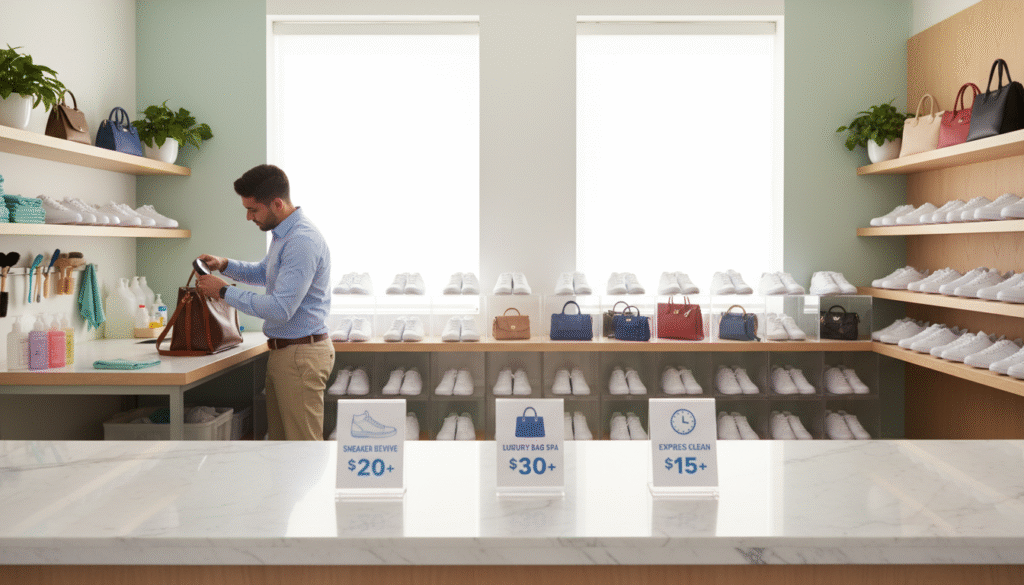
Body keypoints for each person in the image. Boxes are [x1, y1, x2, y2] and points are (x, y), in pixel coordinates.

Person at [196, 164, 333, 440]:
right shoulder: (284, 235)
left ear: (277, 204)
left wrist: (224, 292)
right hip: (288, 354)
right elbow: (264, 273)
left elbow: (280, 309)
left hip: (300, 357)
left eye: (253, 209)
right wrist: (224, 264)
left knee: (303, 451)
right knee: (284, 450)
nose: (248, 217)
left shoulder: (301, 241)